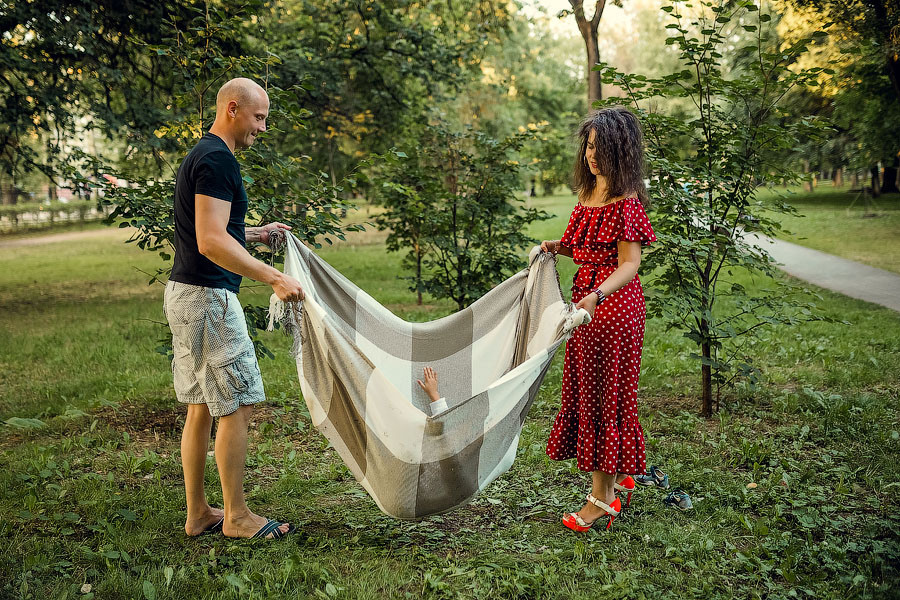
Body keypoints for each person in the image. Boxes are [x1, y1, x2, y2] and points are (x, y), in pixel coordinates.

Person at [164, 77, 305, 540]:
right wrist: (274, 277)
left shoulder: (202, 153)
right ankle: (238, 518)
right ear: (232, 108)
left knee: (202, 406)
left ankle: (199, 513)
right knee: (238, 405)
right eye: (259, 117)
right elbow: (210, 241)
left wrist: (259, 233)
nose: (262, 128)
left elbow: (215, 229)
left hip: (185, 294)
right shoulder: (219, 159)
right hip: (207, 300)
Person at [541, 107, 656, 532]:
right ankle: (618, 475)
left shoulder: (624, 203)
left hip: (613, 307)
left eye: (600, 148)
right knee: (592, 393)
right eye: (588, 146)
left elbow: (629, 264)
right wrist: (556, 246)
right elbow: (583, 247)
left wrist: (594, 295)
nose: (591, 156)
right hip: (586, 308)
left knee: (606, 398)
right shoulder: (587, 197)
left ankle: (602, 499)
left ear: (619, 151)